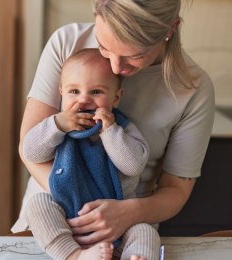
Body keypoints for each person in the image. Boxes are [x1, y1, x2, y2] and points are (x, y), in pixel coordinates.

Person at [12, 0, 215, 259]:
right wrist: (77, 201)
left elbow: (176, 190)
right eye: (103, 46)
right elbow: (28, 147)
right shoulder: (67, 43)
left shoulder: (194, 89)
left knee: (145, 235)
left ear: (170, 29)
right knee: (39, 207)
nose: (117, 68)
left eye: (135, 55)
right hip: (55, 209)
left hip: (126, 218)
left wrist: (125, 214)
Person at [22, 48, 159, 259]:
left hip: (116, 222)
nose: (84, 100)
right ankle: (74, 255)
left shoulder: (121, 129)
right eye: (74, 92)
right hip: (66, 219)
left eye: (96, 92)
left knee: (145, 231)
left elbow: (133, 166)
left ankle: (136, 255)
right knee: (38, 205)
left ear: (116, 98)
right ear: (61, 92)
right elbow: (30, 151)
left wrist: (109, 131)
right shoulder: (57, 125)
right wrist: (57, 125)